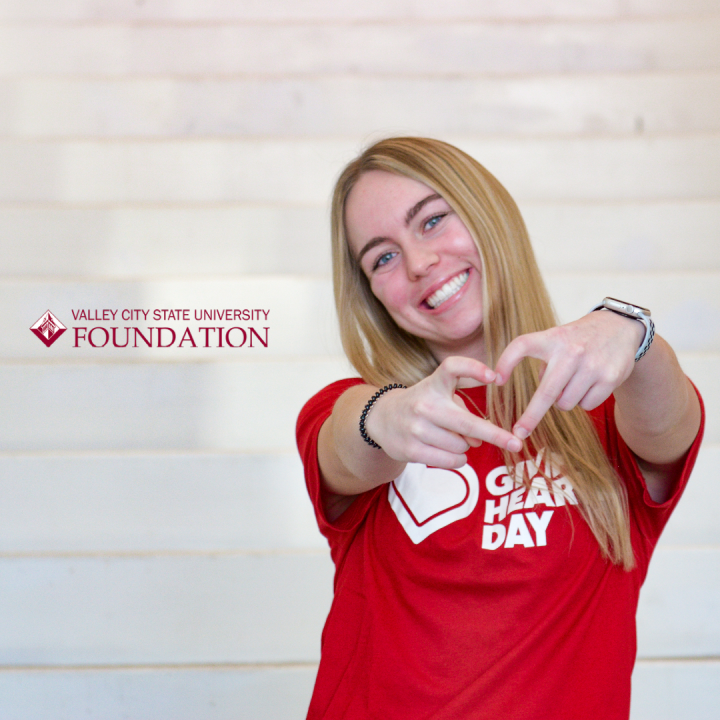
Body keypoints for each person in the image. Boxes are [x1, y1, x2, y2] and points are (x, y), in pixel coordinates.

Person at [296, 137, 703, 720]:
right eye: (382, 258)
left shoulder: (606, 411)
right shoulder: (353, 410)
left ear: (486, 212)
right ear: (370, 295)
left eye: (432, 221)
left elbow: (672, 427)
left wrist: (632, 333)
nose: (418, 264)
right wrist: (384, 416)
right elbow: (346, 441)